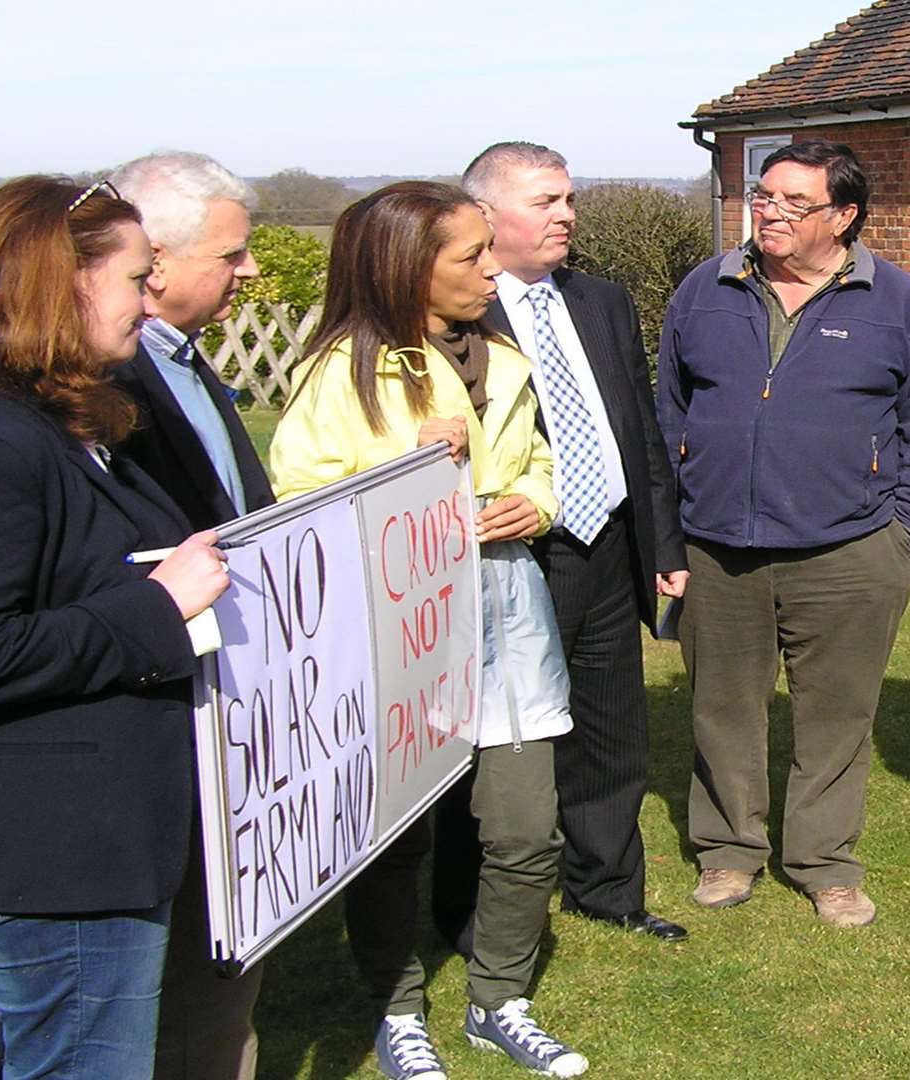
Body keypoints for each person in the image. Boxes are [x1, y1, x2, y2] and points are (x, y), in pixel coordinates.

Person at [0, 175, 231, 1079]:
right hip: (48, 854)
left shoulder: (59, 421)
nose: (152, 298)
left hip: (82, 842)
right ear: (61, 286)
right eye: (137, 278)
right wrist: (156, 607)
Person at [270, 181, 587, 1079]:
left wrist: (533, 503)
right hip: (394, 632)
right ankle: (397, 1006)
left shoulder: (503, 357)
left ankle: (499, 1000)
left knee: (527, 827)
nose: (494, 269)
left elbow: (539, 467)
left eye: (491, 249)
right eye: (470, 256)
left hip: (505, 616)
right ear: (408, 267)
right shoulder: (343, 372)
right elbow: (298, 513)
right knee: (396, 840)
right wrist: (408, 471)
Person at [656, 140, 910, 927]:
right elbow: (670, 410)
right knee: (721, 708)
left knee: (836, 716)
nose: (771, 212)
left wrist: (905, 532)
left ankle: (825, 862)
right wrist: (674, 523)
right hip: (719, 547)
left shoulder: (896, 302)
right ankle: (728, 851)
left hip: (850, 552)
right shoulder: (705, 288)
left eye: (796, 202)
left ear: (845, 216)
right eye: (765, 195)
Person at [427, 141, 687, 947]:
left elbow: (637, 431)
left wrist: (662, 544)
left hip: (607, 545)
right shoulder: (458, 314)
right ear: (486, 216)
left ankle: (607, 891)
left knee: (613, 730)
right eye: (545, 201)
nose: (567, 214)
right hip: (512, 558)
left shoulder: (601, 300)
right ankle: (474, 912)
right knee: (500, 741)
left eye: (567, 198)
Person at [109, 149, 273, 1080]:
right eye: (234, 254)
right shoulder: (106, 384)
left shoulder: (187, 361)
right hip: (162, 706)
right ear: (157, 262)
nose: (249, 271)